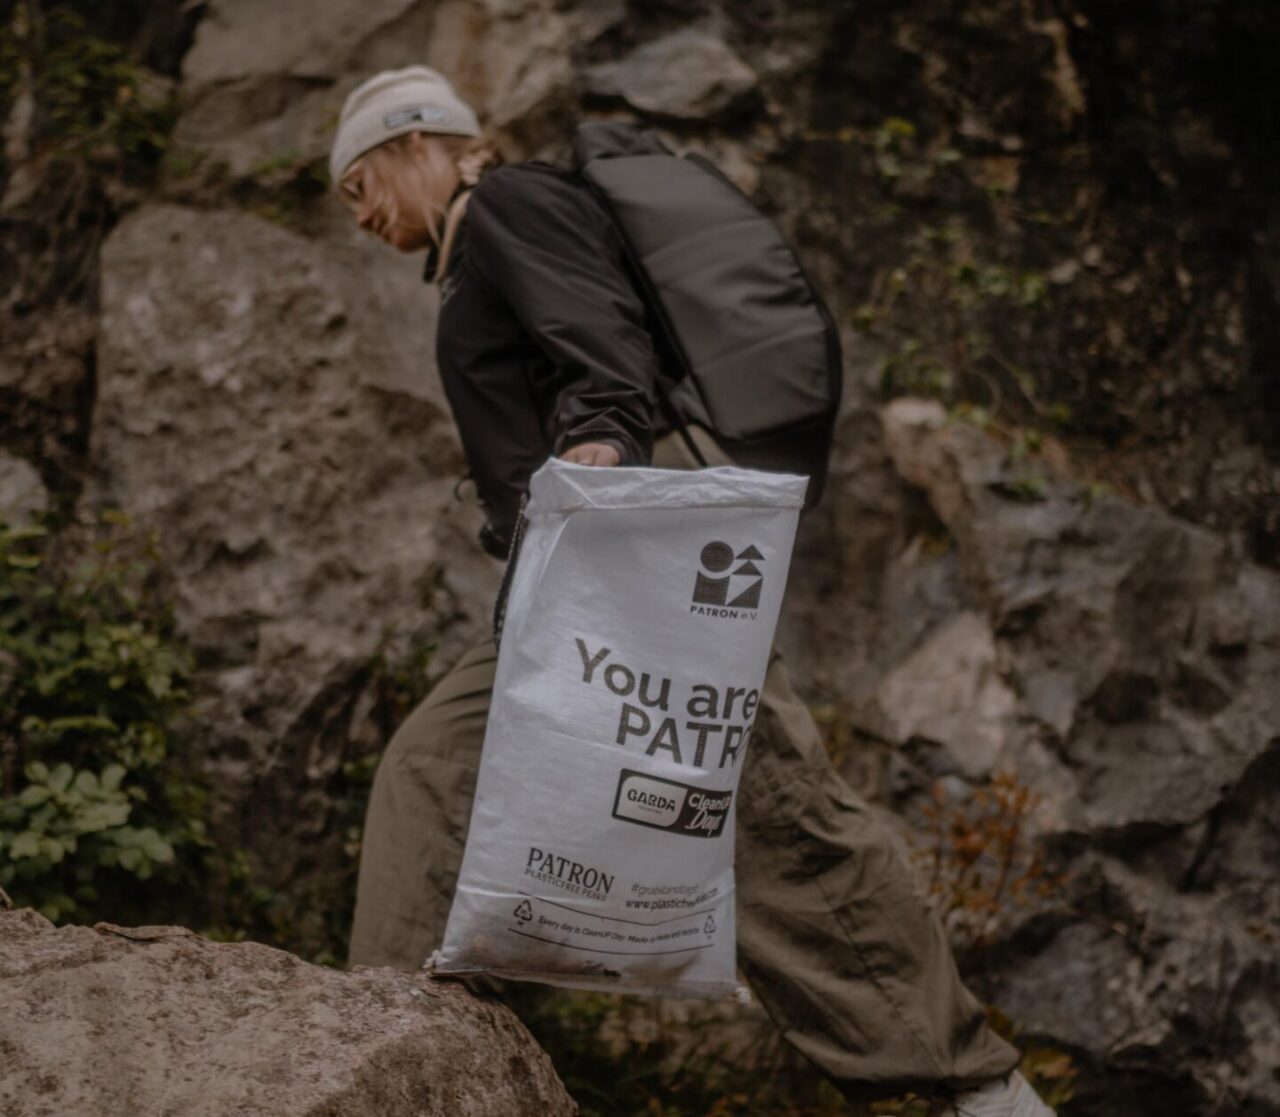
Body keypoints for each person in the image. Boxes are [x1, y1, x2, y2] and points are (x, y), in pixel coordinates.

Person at [329, 65, 1054, 1117]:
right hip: (595, 563)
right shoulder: (476, 243)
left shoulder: (505, 206)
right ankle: (390, 1059)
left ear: (415, 143)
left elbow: (603, 351)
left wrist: (601, 459)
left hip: (635, 551)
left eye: (357, 181)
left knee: (766, 810)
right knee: (443, 775)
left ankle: (975, 1094)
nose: (355, 212)